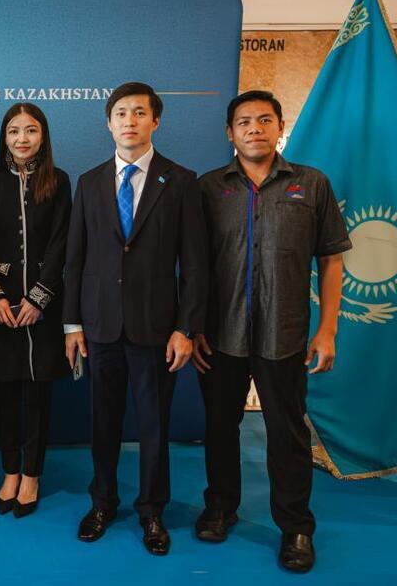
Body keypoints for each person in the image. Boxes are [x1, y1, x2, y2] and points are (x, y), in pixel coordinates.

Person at [192, 90, 350, 573]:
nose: (254, 129)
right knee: (220, 428)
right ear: (229, 133)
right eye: (244, 122)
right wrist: (192, 325)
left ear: (280, 127)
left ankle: (296, 526)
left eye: (264, 120)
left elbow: (331, 260)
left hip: (285, 335)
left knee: (287, 435)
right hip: (221, 335)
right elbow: (193, 267)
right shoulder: (208, 188)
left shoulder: (310, 184)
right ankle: (220, 506)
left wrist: (327, 331)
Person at [63, 82, 206, 555]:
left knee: (154, 427)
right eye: (121, 112)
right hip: (100, 328)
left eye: (139, 112)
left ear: (155, 121)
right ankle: (102, 502)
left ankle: (152, 512)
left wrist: (186, 328)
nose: (129, 120)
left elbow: (195, 264)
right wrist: (72, 324)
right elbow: (74, 261)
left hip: (156, 329)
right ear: (108, 122)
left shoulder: (181, 181)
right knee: (103, 423)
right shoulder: (88, 182)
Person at [0, 103, 71, 518]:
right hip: (1, 305)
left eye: (30, 131)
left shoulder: (60, 182)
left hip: (43, 307)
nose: (22, 139)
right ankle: (10, 471)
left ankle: (32, 474)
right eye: (14, 131)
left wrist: (39, 297)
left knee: (38, 394)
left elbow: (62, 243)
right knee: (5, 392)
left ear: (44, 136)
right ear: (4, 138)